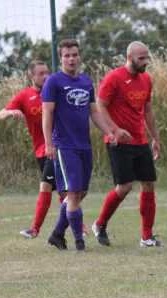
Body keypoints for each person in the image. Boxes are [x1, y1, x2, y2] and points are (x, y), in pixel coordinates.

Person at [41, 39, 116, 252]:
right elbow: (47, 113)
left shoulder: (85, 81)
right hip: (65, 146)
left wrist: (109, 132)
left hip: (84, 145)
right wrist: (49, 144)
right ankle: (79, 243)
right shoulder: (54, 82)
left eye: (74, 55)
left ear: (79, 56)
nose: (71, 59)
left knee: (81, 192)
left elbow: (94, 112)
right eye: (67, 56)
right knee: (72, 194)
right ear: (61, 58)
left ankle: (57, 233)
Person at [91, 41, 163, 248]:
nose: (146, 62)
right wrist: (114, 130)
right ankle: (100, 224)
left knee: (149, 183)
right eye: (142, 58)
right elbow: (100, 106)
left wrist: (155, 138)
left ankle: (147, 237)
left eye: (147, 57)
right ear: (130, 57)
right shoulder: (113, 78)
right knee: (124, 187)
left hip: (139, 140)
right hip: (117, 141)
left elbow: (148, 110)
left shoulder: (146, 79)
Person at [0, 60, 64, 239]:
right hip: (40, 151)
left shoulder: (56, 93)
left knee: (46, 185)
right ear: (31, 76)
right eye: (41, 74)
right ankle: (78, 224)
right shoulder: (25, 96)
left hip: (57, 148)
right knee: (62, 191)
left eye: (47, 73)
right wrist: (11, 112)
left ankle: (35, 230)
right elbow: (0, 114)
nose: (45, 77)